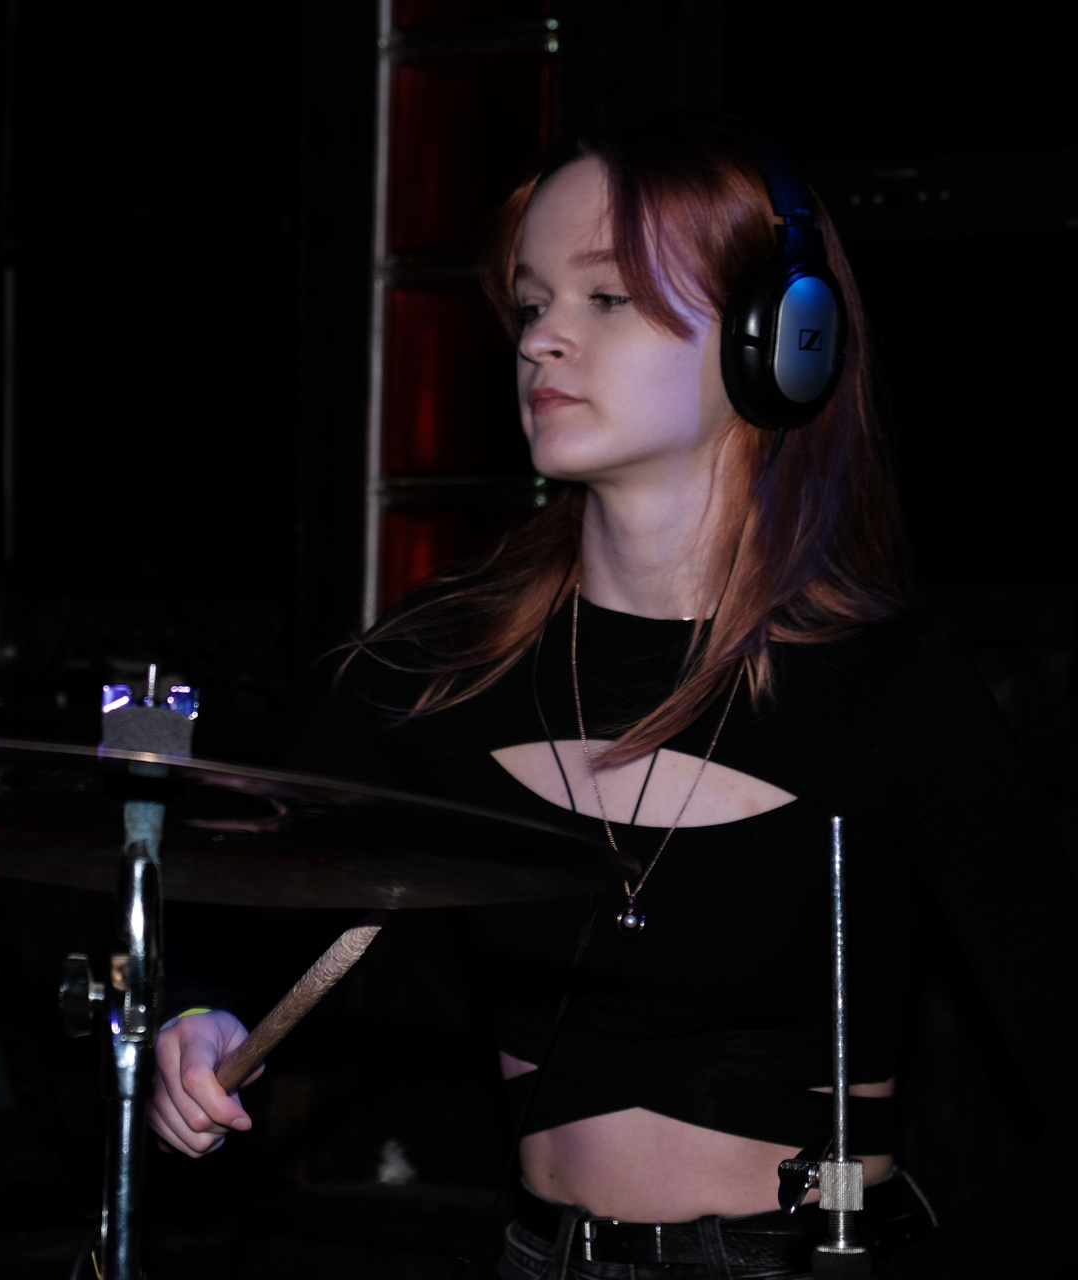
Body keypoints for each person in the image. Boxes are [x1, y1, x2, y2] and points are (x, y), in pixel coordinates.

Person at [148, 117, 1078, 1279]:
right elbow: (235, 911)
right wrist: (194, 1013)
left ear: (779, 339)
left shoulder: (892, 687)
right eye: (532, 302)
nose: (542, 338)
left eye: (607, 297)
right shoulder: (440, 663)